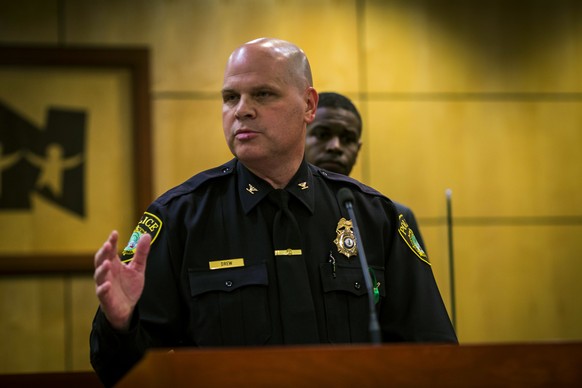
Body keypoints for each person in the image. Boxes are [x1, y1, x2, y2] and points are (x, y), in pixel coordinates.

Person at [90, 38, 457, 387]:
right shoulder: (180, 217)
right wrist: (120, 325)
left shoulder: (373, 216)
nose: (242, 110)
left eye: (263, 94)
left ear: (309, 105)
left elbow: (434, 353)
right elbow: (119, 374)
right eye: (230, 97)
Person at [305, 91, 428, 251]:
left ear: (358, 149)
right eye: (322, 135)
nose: (335, 146)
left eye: (348, 139)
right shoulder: (282, 210)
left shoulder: (392, 218)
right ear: (301, 137)